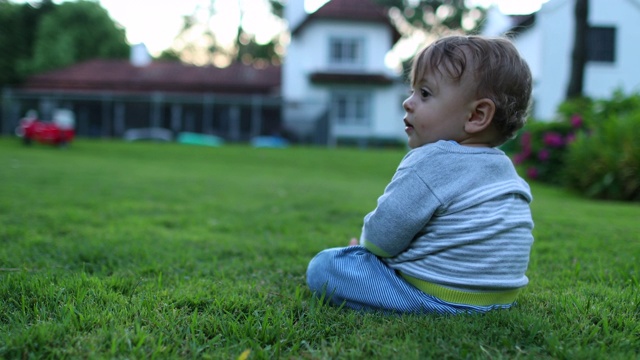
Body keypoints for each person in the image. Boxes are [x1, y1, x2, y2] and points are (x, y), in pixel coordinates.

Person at [306, 35, 535, 314]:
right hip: (499, 301)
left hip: (435, 297)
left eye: (425, 93)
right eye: (412, 91)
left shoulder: (433, 159)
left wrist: (365, 250)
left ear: (476, 116)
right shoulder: (506, 170)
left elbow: (383, 237)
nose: (408, 103)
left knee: (324, 267)